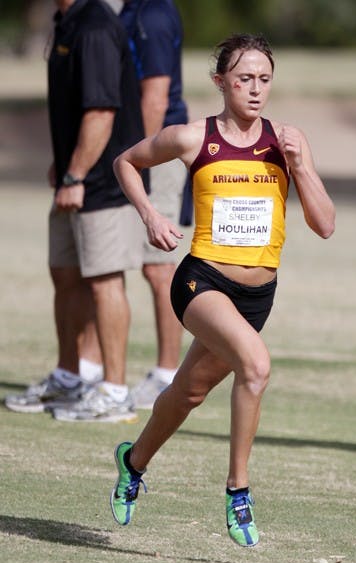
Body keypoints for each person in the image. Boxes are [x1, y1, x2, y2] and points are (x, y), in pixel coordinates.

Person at [108, 33, 336, 546]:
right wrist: (150, 214)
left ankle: (133, 461)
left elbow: (325, 225)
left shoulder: (288, 140)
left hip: (257, 297)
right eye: (243, 79)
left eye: (264, 79)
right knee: (255, 366)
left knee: (187, 393)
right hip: (201, 282)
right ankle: (238, 491)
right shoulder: (192, 138)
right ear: (220, 82)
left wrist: (299, 167)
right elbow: (126, 162)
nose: (255, 90)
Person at [5, 0, 147, 423]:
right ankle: (69, 378)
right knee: (65, 275)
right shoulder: (66, 22)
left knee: (104, 282)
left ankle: (115, 390)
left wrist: (77, 175)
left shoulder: (96, 26)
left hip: (102, 182)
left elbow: (102, 113)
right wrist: (64, 165)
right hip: (75, 177)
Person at [118, 0, 188, 409]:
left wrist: (138, 162)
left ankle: (167, 373)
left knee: (158, 265)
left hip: (155, 149)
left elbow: (156, 96)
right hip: (139, 149)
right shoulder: (129, 10)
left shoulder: (153, 13)